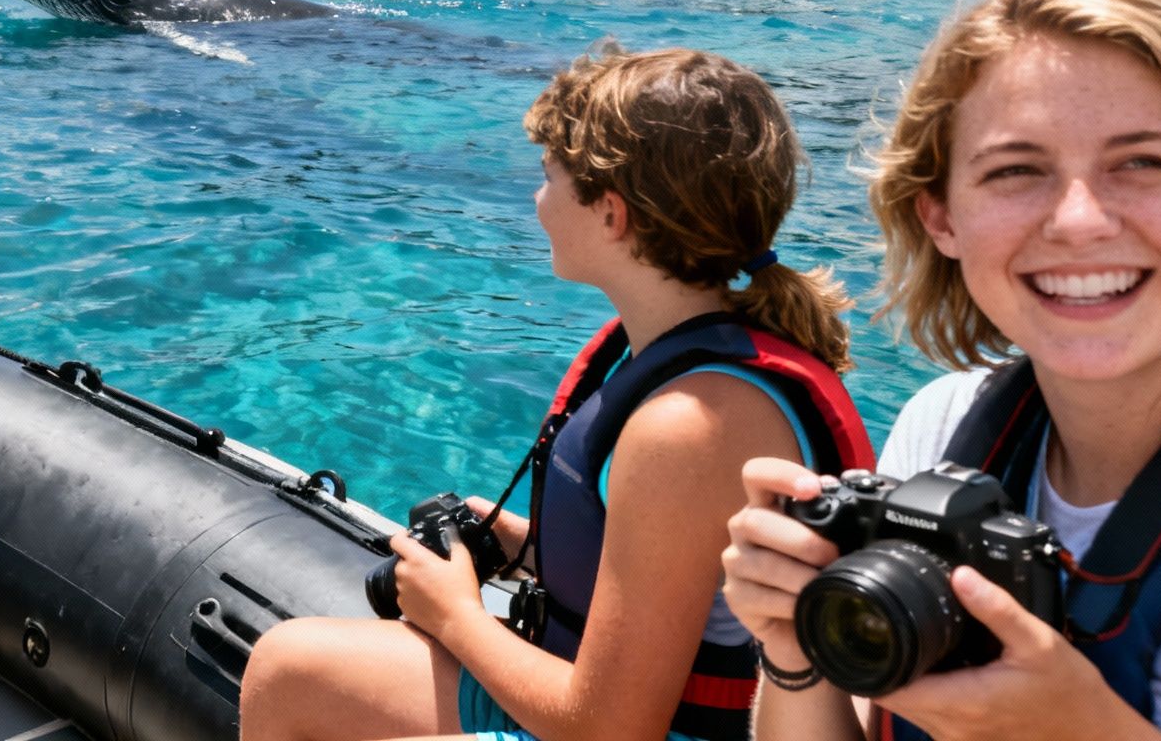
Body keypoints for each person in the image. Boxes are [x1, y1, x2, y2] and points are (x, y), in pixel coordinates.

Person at [240, 46, 873, 741]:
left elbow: (609, 727)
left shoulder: (689, 425)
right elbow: (683, 571)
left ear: (612, 214)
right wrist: (530, 547)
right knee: (288, 668)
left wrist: (456, 614)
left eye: (549, 176)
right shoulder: (689, 353)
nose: (537, 200)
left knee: (292, 680)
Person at [720, 0, 1161, 741]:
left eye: (1144, 161)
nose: (1079, 221)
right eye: (1016, 170)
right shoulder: (946, 428)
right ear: (941, 219)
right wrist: (793, 646)